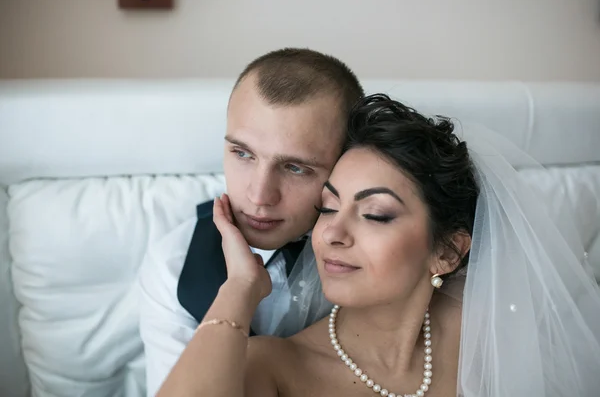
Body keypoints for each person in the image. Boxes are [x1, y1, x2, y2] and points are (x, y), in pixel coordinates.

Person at [156, 93, 600, 396]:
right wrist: (239, 286)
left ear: (447, 251)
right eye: (327, 208)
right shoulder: (273, 367)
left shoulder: (497, 329)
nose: (331, 233)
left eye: (375, 214)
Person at [138, 47, 364, 396]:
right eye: (242, 154)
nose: (259, 196)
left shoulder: (379, 256)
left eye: (295, 167)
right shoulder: (174, 263)